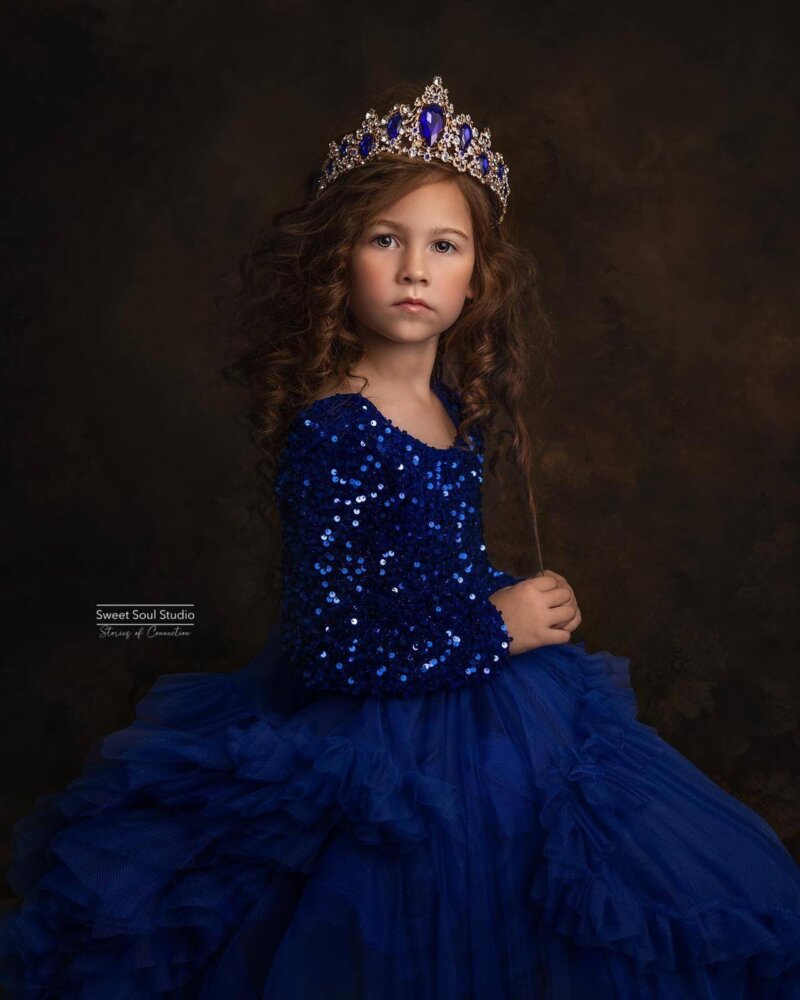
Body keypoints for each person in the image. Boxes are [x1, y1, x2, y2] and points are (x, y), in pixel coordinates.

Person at [1, 74, 799, 999]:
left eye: (444, 245)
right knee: (414, 903)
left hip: (478, 690)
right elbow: (332, 644)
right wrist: (497, 626)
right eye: (386, 240)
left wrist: (517, 597)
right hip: (380, 728)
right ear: (340, 264)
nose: (414, 268)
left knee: (582, 870)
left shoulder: (452, 406)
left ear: (477, 279)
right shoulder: (335, 429)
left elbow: (432, 564)